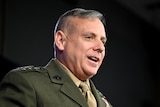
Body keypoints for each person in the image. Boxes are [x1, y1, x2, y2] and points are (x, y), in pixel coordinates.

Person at [0, 8, 112, 107]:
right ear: (61, 41)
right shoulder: (27, 84)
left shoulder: (104, 103)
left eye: (103, 42)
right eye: (89, 37)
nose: (100, 47)